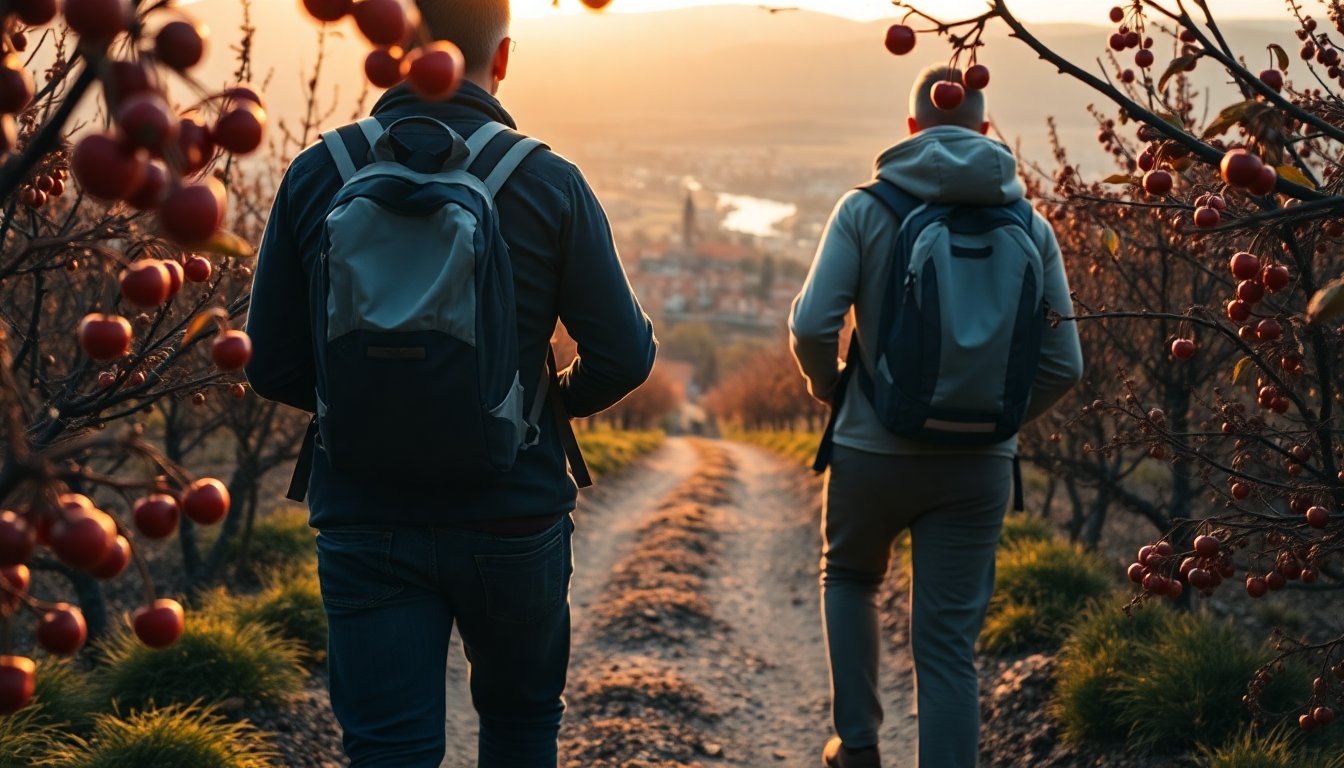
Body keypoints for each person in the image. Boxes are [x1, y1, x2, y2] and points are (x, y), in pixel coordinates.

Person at [244, 1, 657, 764]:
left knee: (388, 749)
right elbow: (625, 355)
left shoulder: (317, 173)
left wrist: (363, 409)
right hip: (514, 514)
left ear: (399, 45)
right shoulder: (548, 181)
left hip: (365, 516)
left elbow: (268, 361)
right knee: (520, 727)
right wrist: (536, 406)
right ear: (502, 58)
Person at [789, 64, 1084, 768]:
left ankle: (857, 746)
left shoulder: (865, 209)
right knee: (948, 648)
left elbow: (811, 325)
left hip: (871, 449)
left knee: (851, 577)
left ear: (912, 127)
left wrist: (833, 392)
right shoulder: (1032, 225)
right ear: (985, 129)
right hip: (978, 468)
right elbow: (1065, 365)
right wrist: (997, 418)